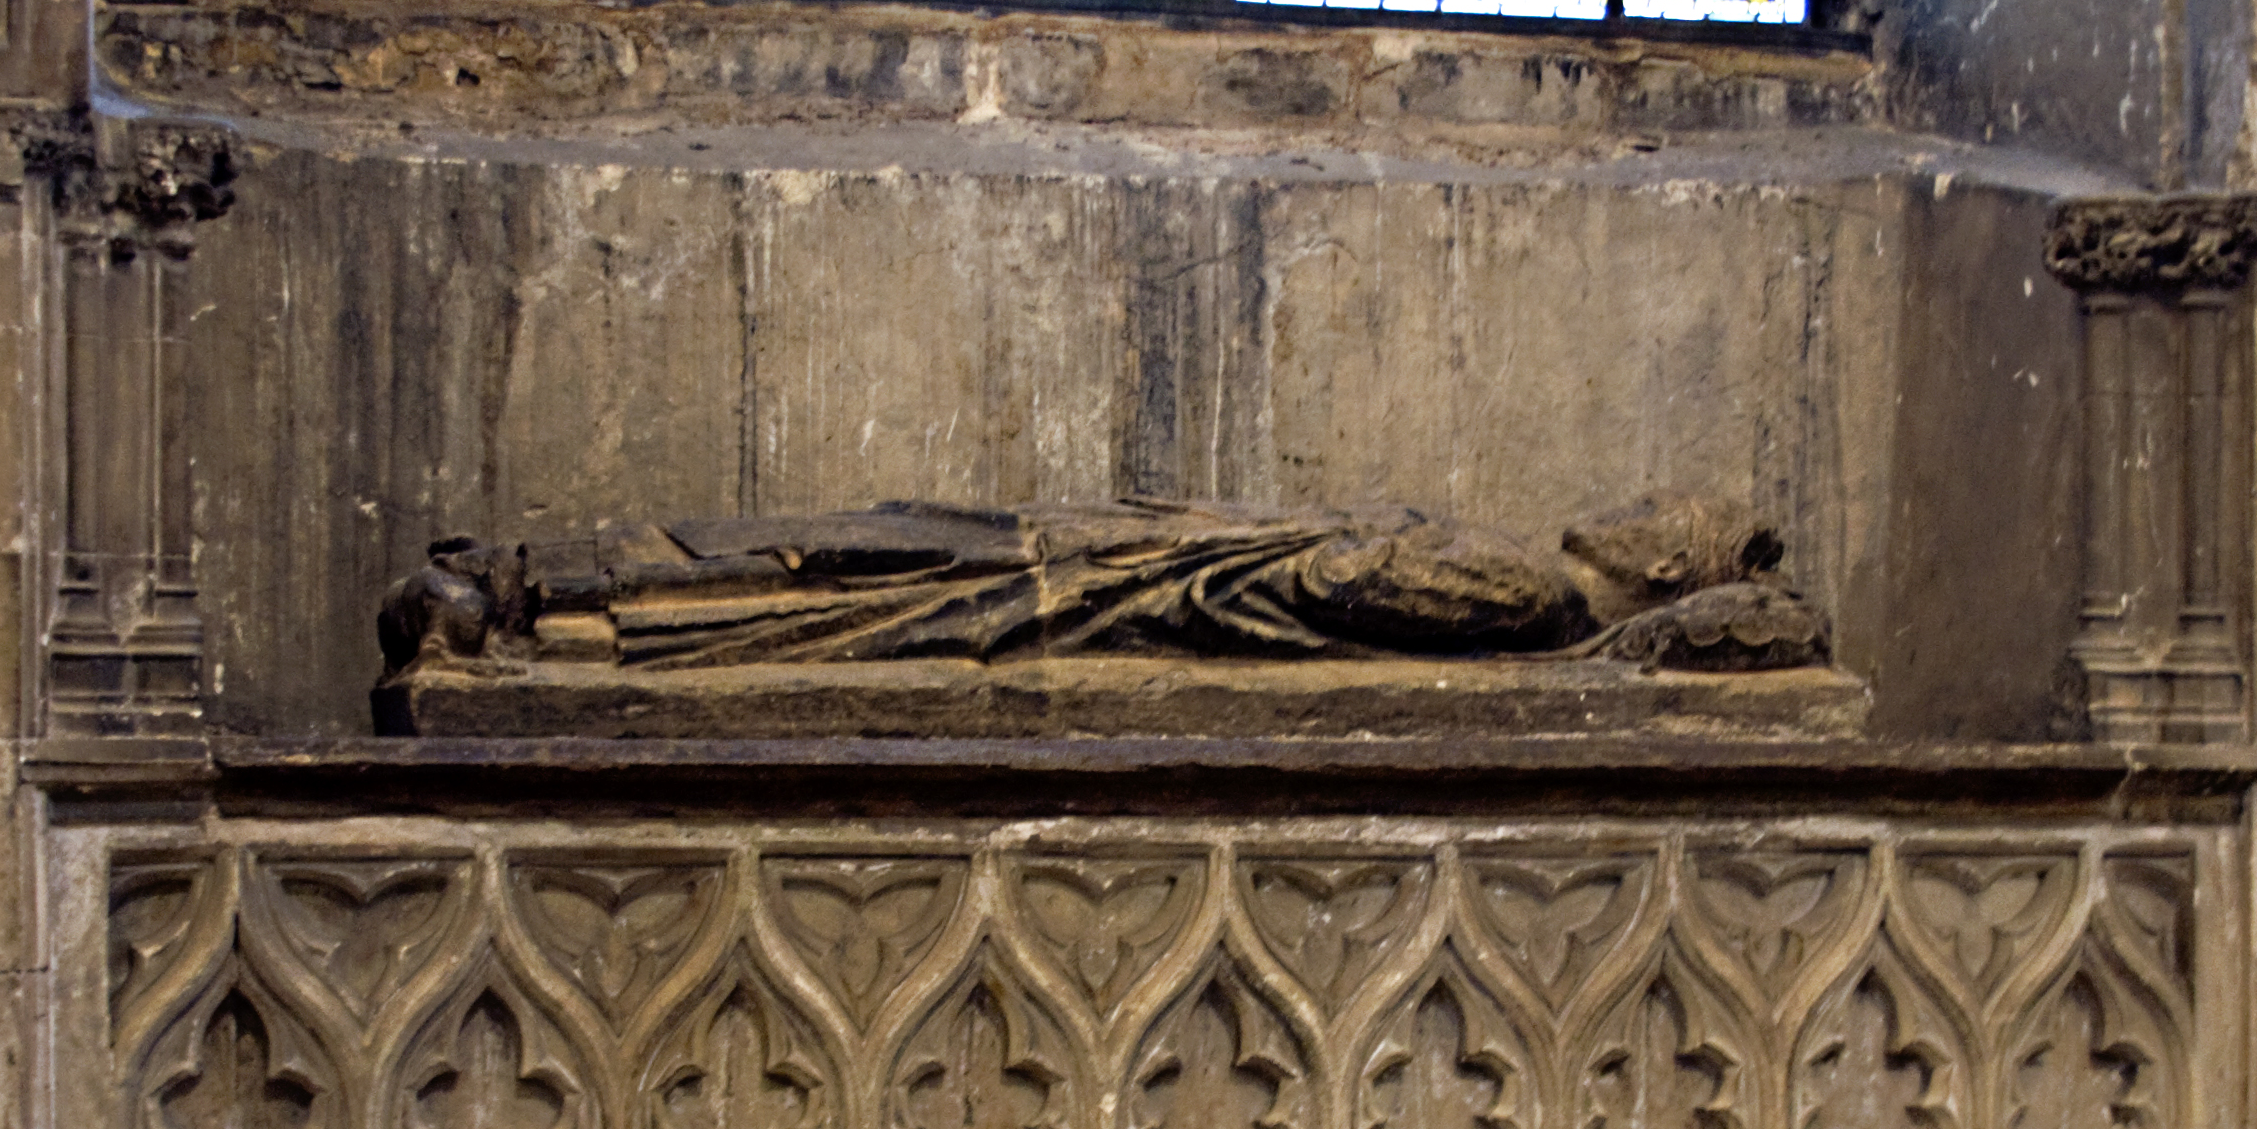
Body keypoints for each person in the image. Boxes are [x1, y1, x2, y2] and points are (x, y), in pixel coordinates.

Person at [378, 494, 1829, 675]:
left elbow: (1331, 578)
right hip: (1149, 555)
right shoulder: (1535, 580)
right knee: (861, 551)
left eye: (1673, 513)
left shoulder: (1535, 590)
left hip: (1136, 585)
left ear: (1665, 568)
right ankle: (553, 594)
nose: (1640, 501)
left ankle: (555, 617)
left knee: (863, 596)